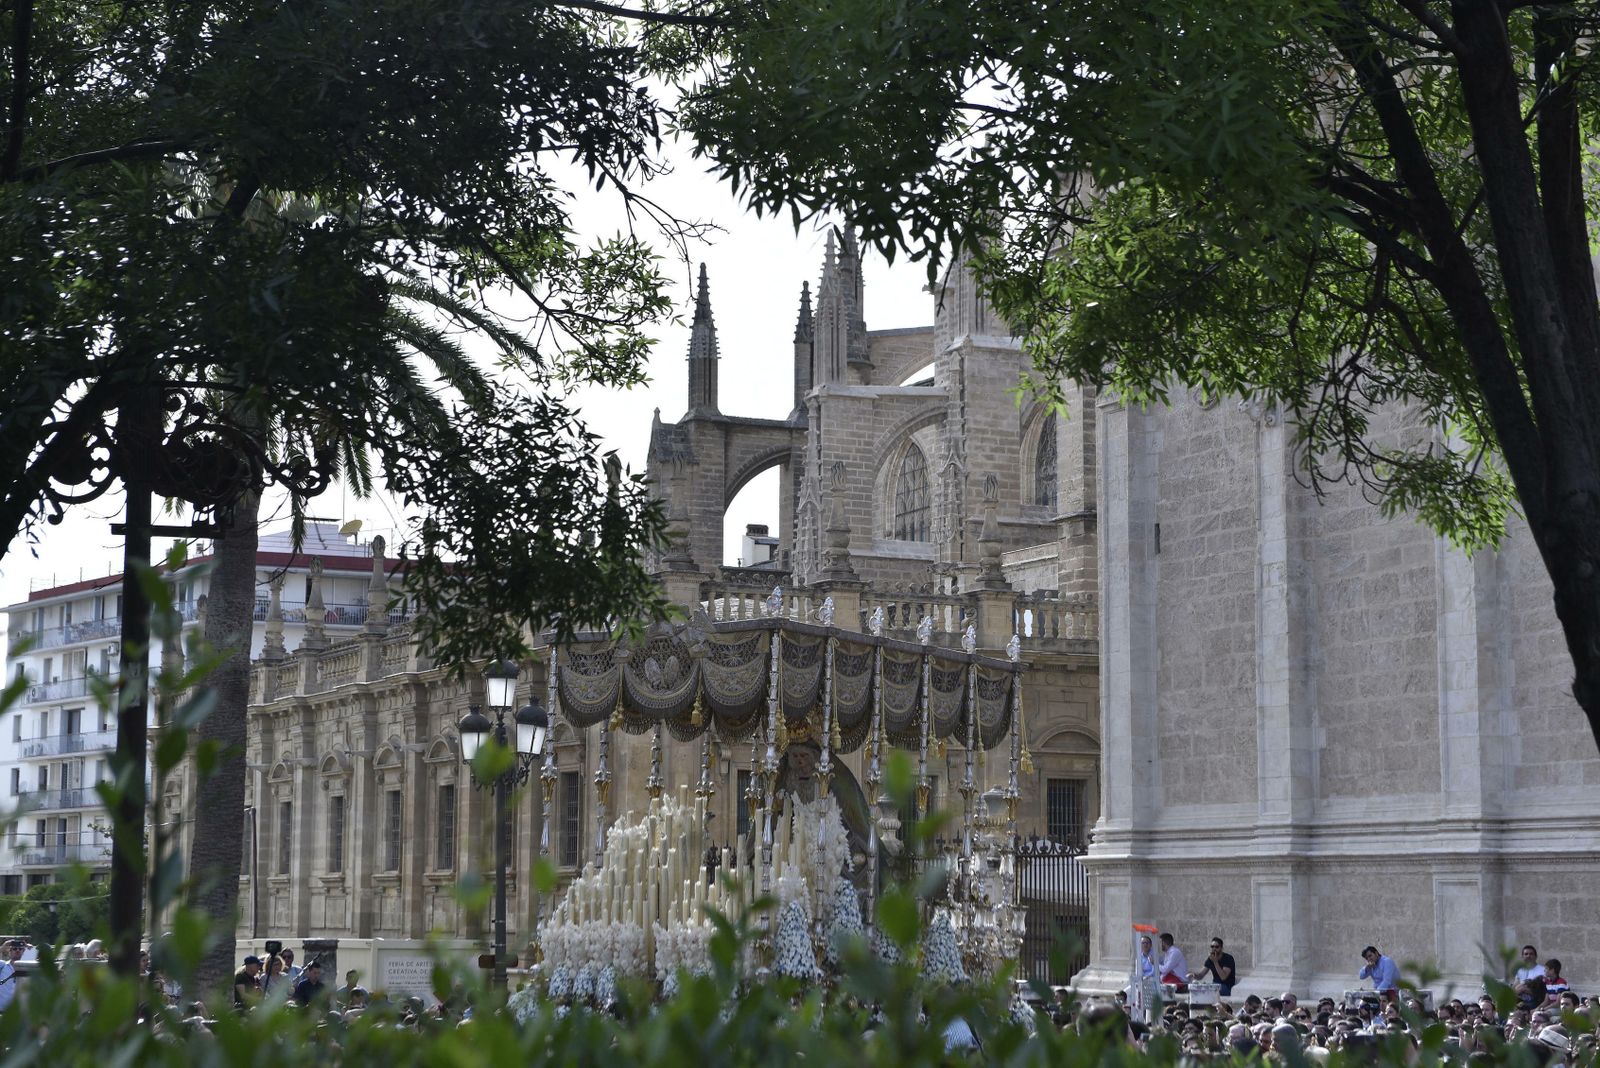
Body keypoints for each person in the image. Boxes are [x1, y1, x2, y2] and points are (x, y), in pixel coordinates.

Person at [0, 940, 22, 1012]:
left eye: (20, 949)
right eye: (14, 949)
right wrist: (3, 947)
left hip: (18, 1013)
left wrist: (32, 950)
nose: (17, 950)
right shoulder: (2, 965)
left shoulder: (27, 967)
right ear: (10, 951)